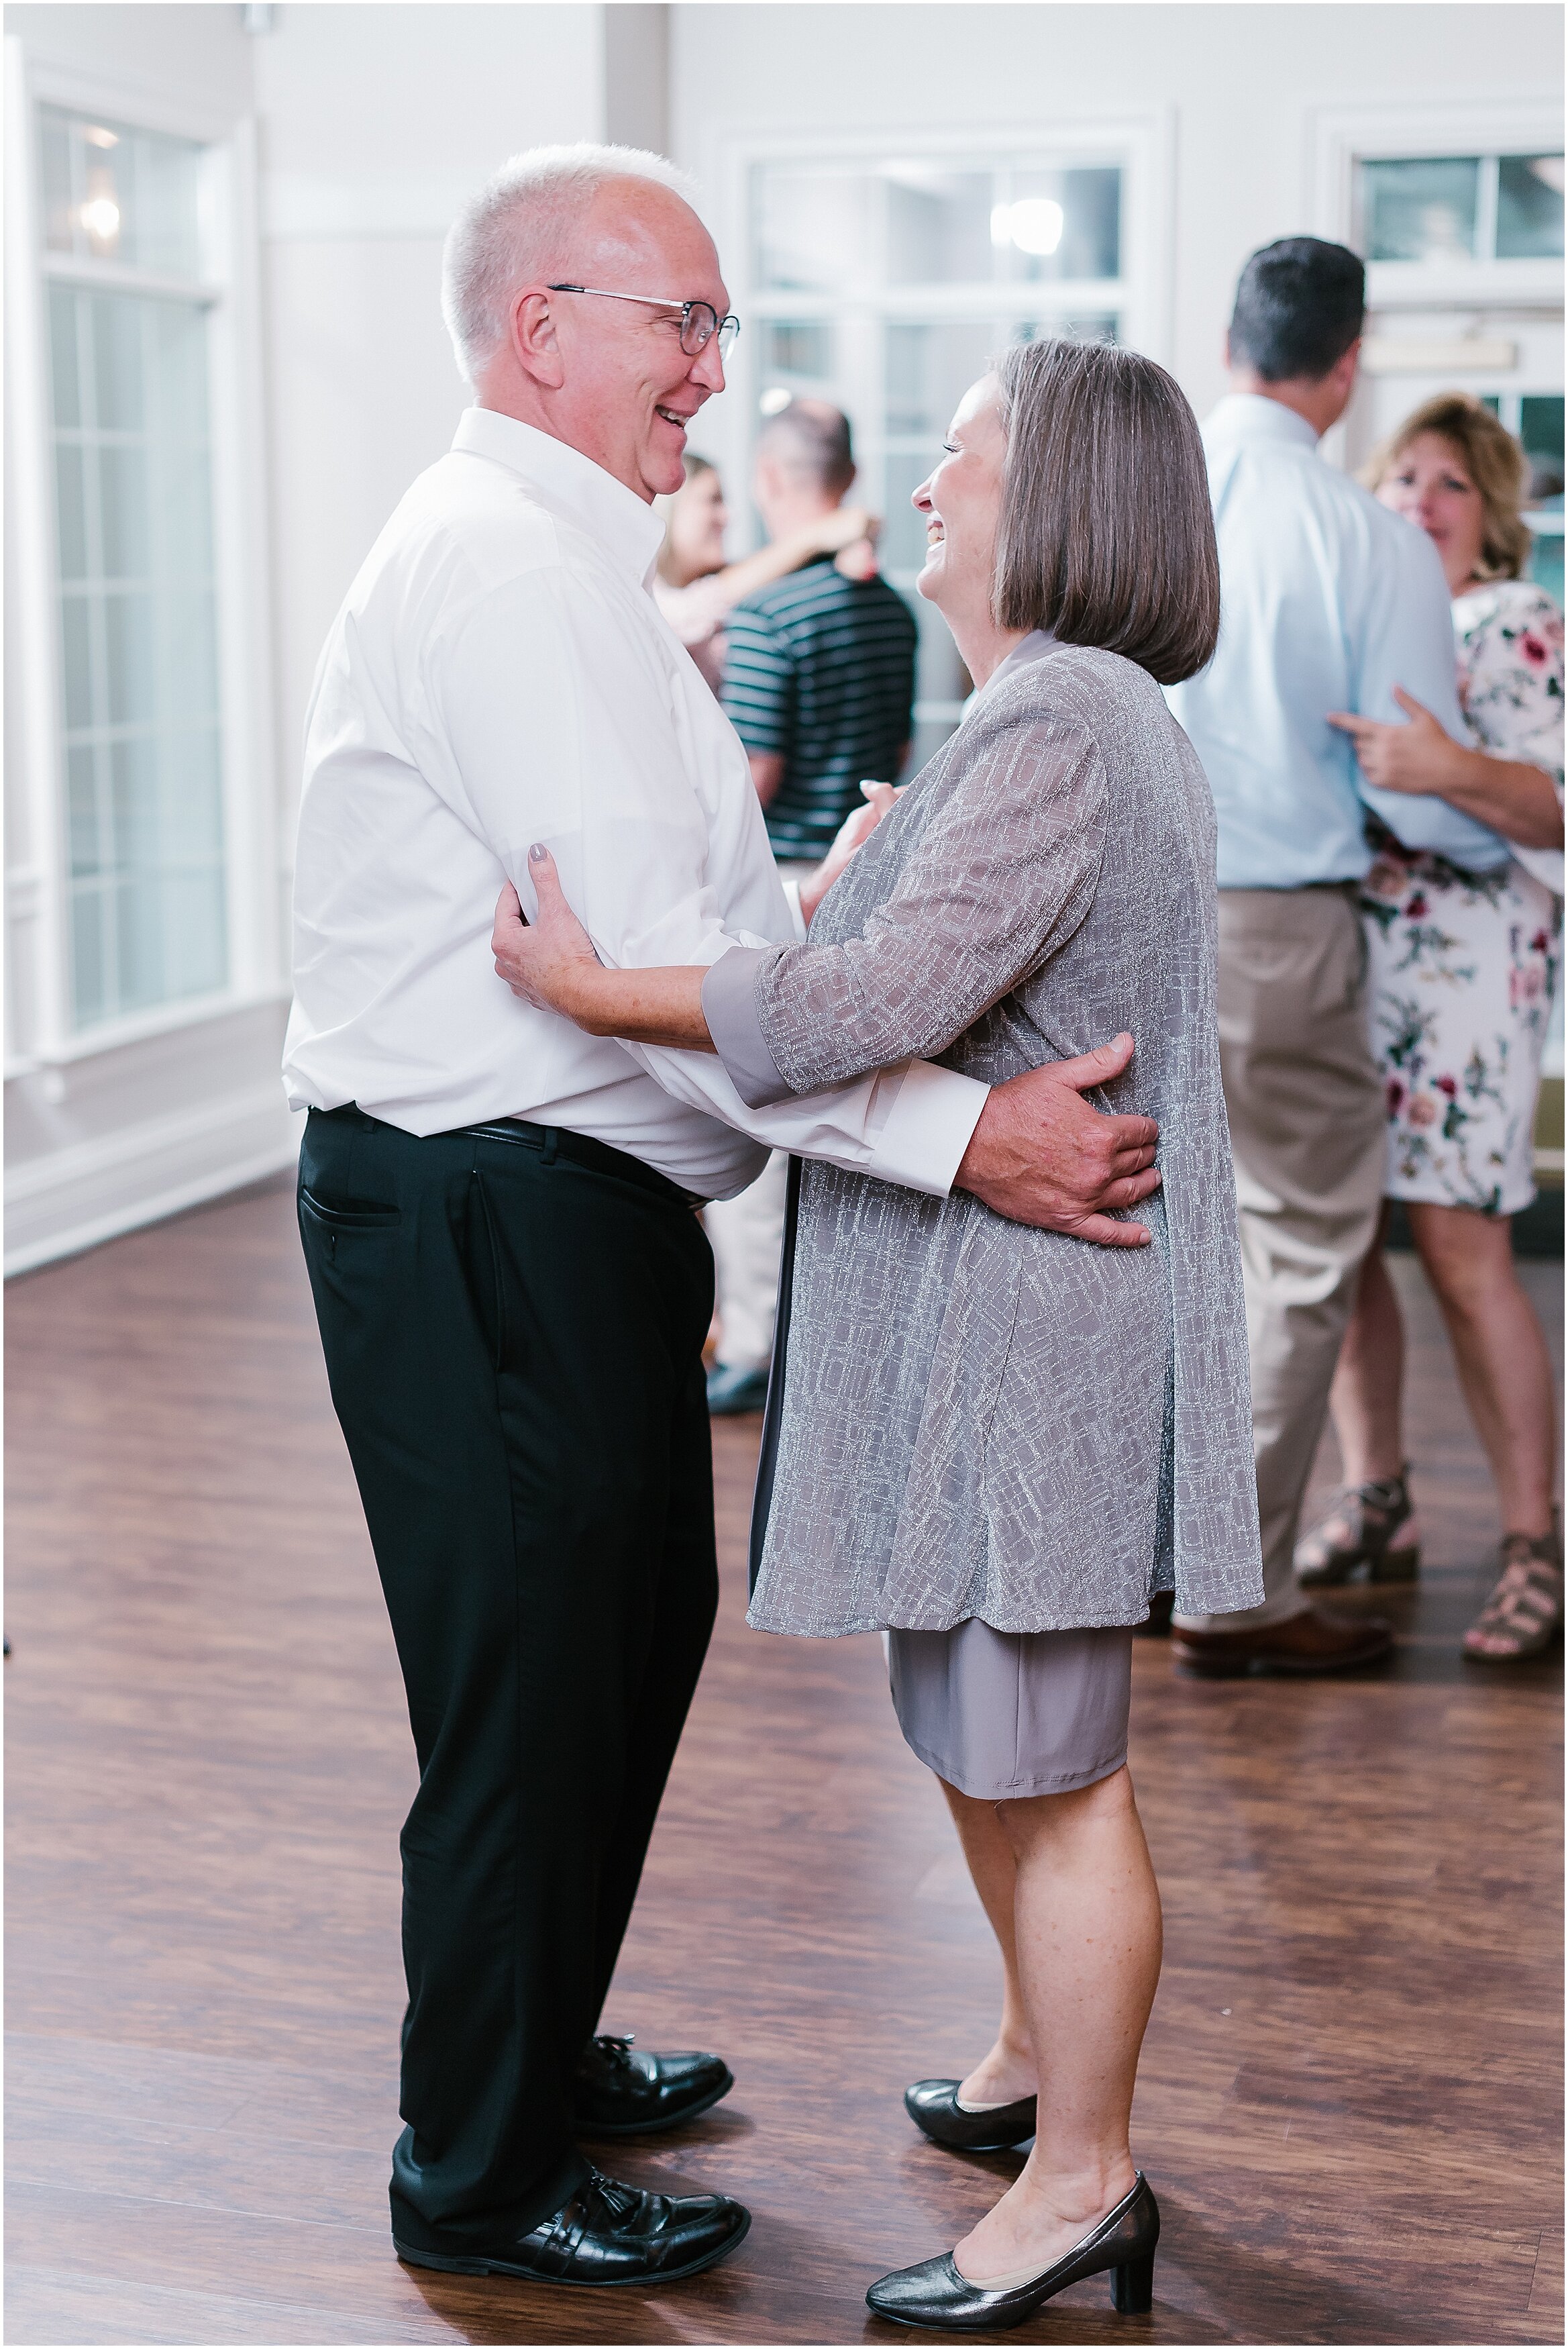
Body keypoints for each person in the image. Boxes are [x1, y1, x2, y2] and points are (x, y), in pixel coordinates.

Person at [282, 142, 1165, 2295]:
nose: (715, 363)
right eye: (679, 318)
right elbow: (676, 1006)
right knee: (525, 1690)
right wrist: (968, 1136)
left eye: (714, 323)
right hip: (483, 1205)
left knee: (607, 1650)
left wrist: (843, 926)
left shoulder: (577, 559)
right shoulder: (505, 566)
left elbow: (695, 939)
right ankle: (472, 2171)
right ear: (539, 331)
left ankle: (531, 2042)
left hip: (556, 1217)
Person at [492, 336, 1264, 2328]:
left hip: (1030, 1332)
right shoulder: (1064, 711)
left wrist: (594, 980)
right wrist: (845, 899)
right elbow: (906, 970)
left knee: (1048, 1758)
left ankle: (1083, 2176)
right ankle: (1031, 2063)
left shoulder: (1057, 716)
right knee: (988, 1727)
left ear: (1058, 499)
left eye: (957, 458)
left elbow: (858, 1009)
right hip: (1008, 1319)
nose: (921, 493)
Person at [1163, 238, 1513, 1677]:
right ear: (1348, 362)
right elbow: (1412, 786)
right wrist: (1497, 838)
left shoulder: (1146, 487)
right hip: (1275, 923)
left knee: (1155, 1242)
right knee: (1301, 1247)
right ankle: (1228, 1595)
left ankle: (1127, 1560)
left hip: (1114, 911)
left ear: (1231, 339)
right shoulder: (1358, 536)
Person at [1298, 394, 1564, 1659]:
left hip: (1467, 983)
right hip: (1359, 966)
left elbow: (1554, 808)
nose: (1419, 500)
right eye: (1403, 476)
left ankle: (1532, 1542)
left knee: (1464, 1256)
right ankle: (1378, 1498)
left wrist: (1439, 766)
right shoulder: (1372, 617)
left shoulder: (1515, 622)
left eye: (1449, 482)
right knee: (1345, 1249)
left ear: (1491, 512)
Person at [706, 401, 920, 1414]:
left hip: (783, 878)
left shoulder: (766, 612)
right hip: (867, 873)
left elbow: (758, 769)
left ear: (770, 478)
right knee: (845, 1120)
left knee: (759, 1114)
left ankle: (753, 1343)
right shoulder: (892, 608)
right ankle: (839, 1337)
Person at [649, 450, 876, 696]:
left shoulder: (741, 579)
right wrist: (817, 537)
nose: (727, 517)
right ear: (669, 507)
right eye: (712, 500)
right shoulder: (648, 597)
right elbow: (694, 610)